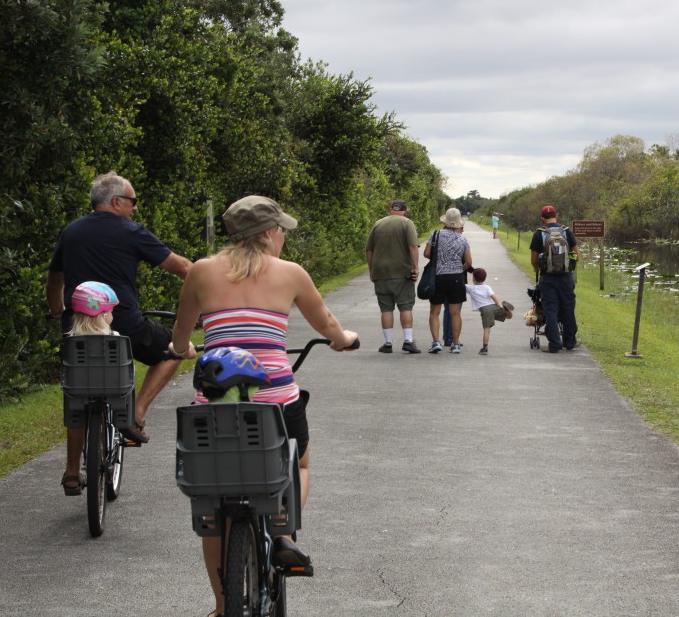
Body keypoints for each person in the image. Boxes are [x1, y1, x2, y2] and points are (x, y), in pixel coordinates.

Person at [168, 195, 358, 617]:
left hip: (214, 404)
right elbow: (326, 324)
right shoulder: (290, 274)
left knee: (215, 505)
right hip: (274, 399)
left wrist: (181, 348)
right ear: (270, 233)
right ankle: (282, 526)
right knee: (301, 463)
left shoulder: (201, 270)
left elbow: (182, 331)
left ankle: (221, 606)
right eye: (281, 231)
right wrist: (344, 339)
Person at [47, 171, 192, 450]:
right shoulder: (131, 231)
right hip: (124, 323)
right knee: (176, 350)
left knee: (78, 394)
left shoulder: (71, 231)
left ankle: (73, 472)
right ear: (116, 202)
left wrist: (57, 311)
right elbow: (181, 267)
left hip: (76, 326)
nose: (135, 207)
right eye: (132, 201)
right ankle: (135, 414)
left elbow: (54, 280)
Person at [59, 281, 119, 494]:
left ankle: (73, 473)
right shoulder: (116, 340)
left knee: (76, 409)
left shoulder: (70, 342)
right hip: (112, 390)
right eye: (110, 311)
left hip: (79, 391)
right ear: (103, 315)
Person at [365, 199, 421, 353]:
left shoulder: (378, 224)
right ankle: (408, 341)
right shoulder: (407, 223)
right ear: (405, 210)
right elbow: (413, 246)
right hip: (402, 272)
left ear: (391, 210)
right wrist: (415, 268)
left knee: (386, 309)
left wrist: (372, 270)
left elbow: (369, 250)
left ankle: (388, 343)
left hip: (380, 273)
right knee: (405, 306)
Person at [529, 205, 579, 352]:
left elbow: (533, 260)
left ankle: (555, 344)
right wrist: (567, 268)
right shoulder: (566, 231)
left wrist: (540, 269)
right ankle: (570, 342)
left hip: (547, 278)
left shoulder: (539, 234)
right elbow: (576, 255)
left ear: (542, 218)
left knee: (550, 309)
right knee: (568, 308)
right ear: (556, 215)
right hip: (566, 277)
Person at [424, 207, 471, 354]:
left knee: (434, 312)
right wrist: (458, 269)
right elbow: (468, 262)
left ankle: (436, 342)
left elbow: (426, 253)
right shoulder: (463, 239)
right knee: (455, 313)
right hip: (456, 277)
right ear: (458, 223)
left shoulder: (435, 234)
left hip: (438, 276)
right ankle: (455, 344)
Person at [465, 267, 513, 355]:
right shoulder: (487, 287)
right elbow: (493, 296)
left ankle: (485, 348)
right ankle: (507, 311)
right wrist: (500, 305)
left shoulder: (471, 289)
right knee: (507, 316)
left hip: (485, 310)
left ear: (473, 278)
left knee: (487, 329)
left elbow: (461, 285)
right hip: (493, 306)